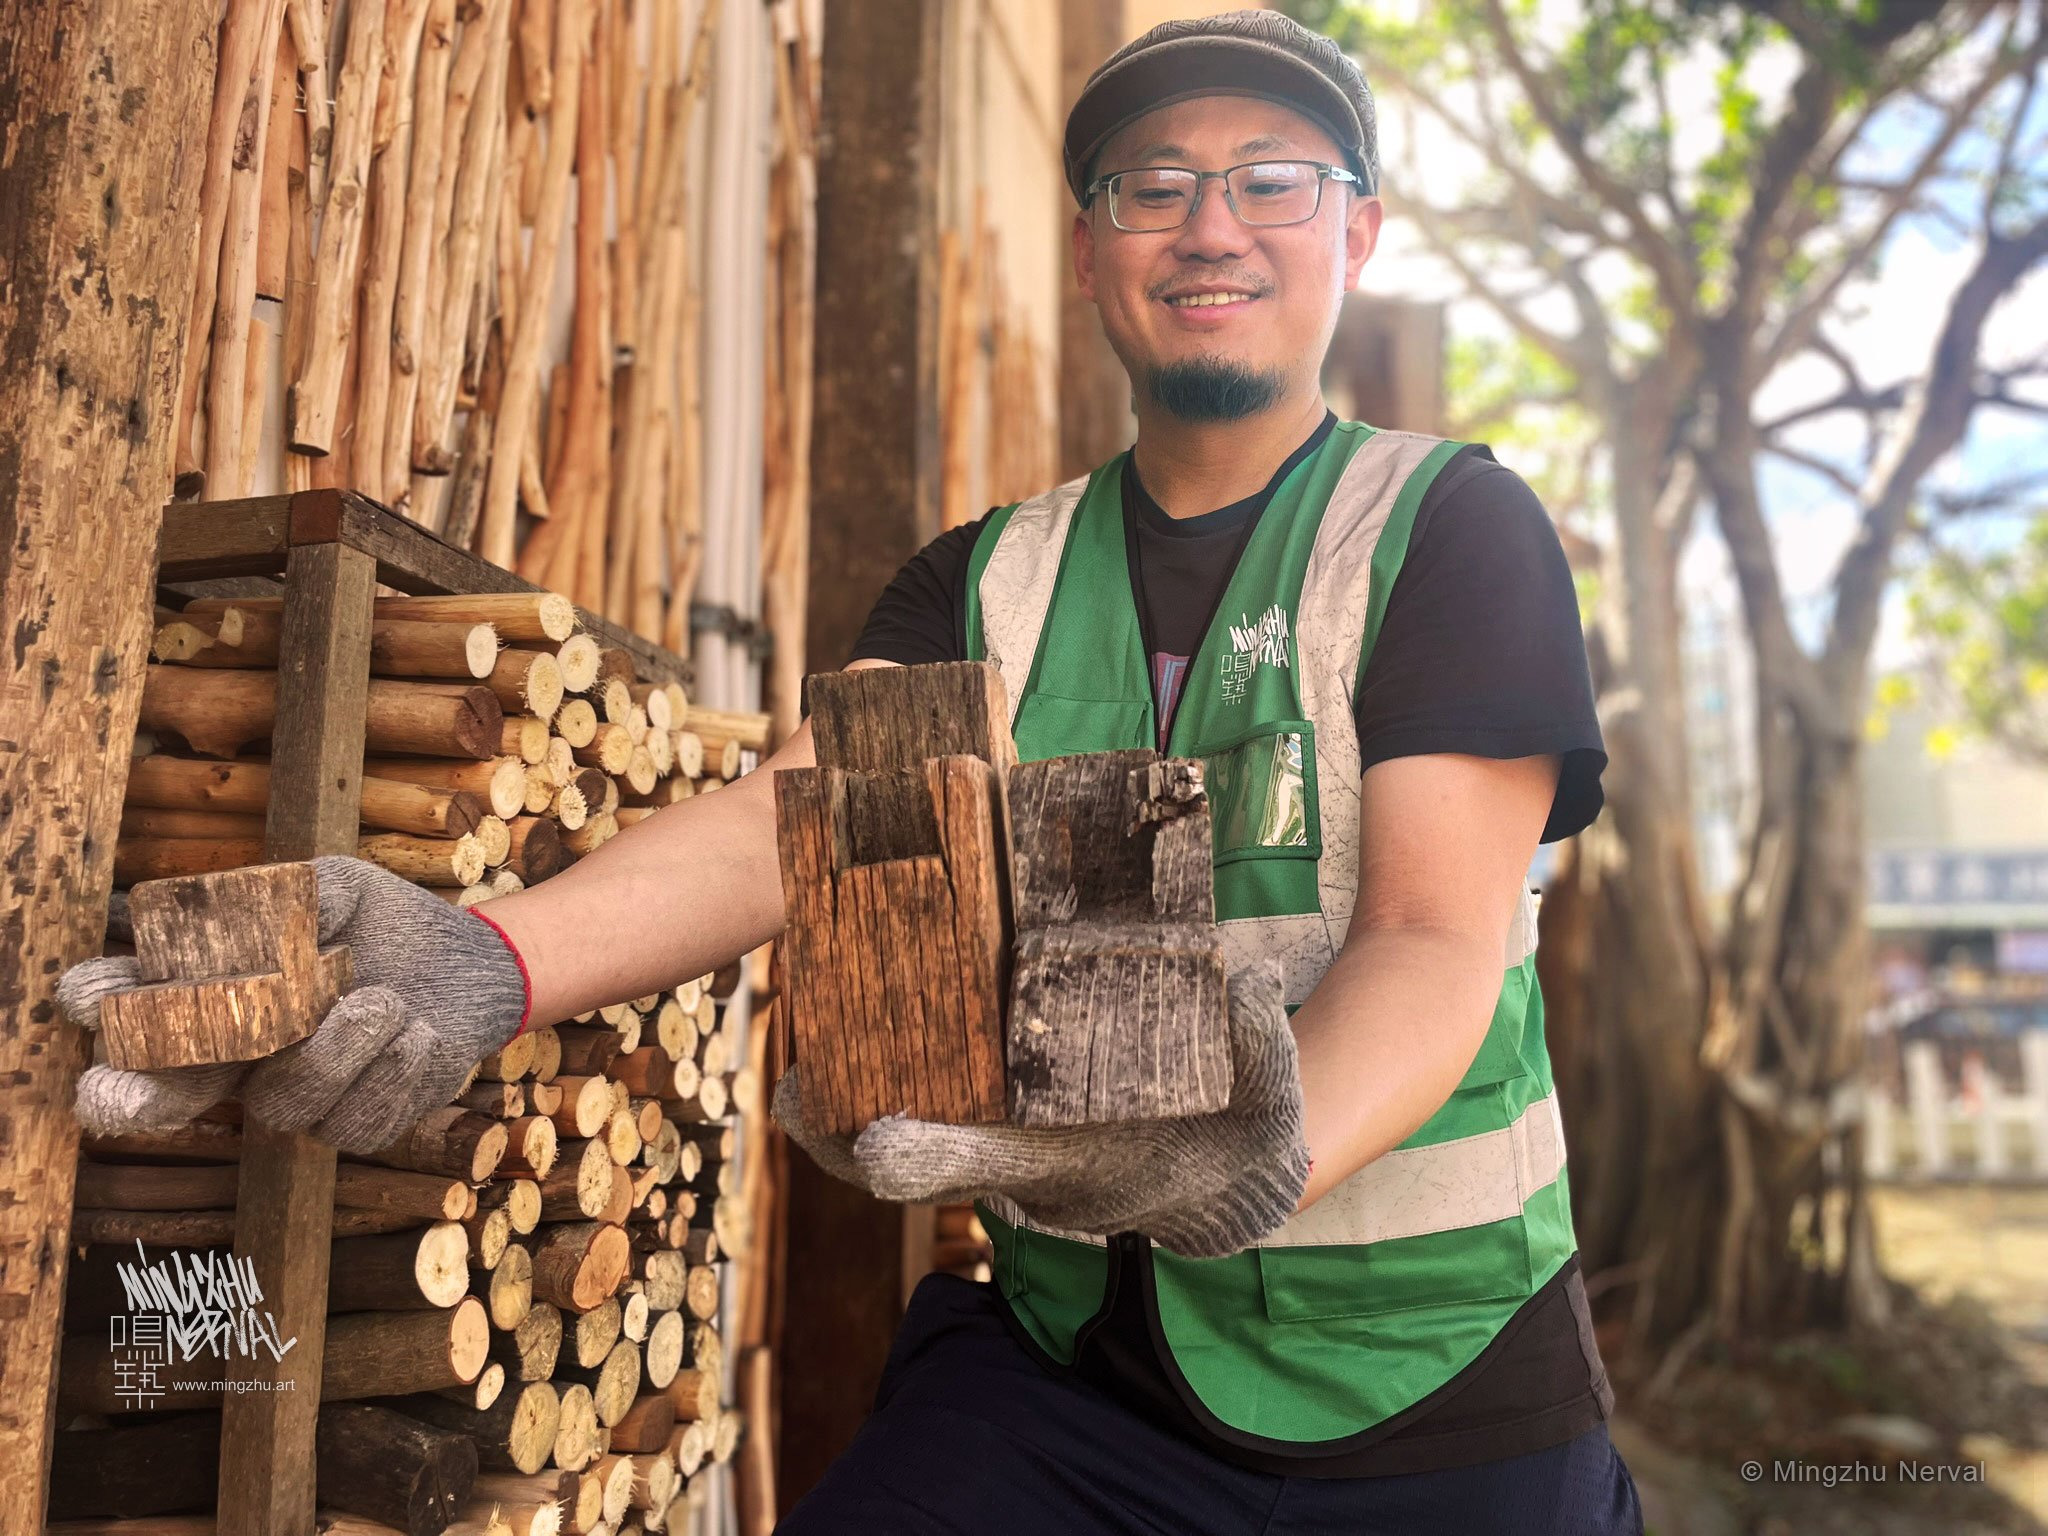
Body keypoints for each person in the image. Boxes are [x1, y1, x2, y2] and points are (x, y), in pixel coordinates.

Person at [59, 11, 1640, 1533]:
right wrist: (485, 960)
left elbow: (1432, 942)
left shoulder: (1449, 531)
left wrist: (1258, 1144)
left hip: (1439, 1401)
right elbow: (792, 820)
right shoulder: (984, 581)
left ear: (1355, 236)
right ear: (1093, 251)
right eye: (1154, 188)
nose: (1211, 227)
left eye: (1273, 181)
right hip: (1078, 1381)